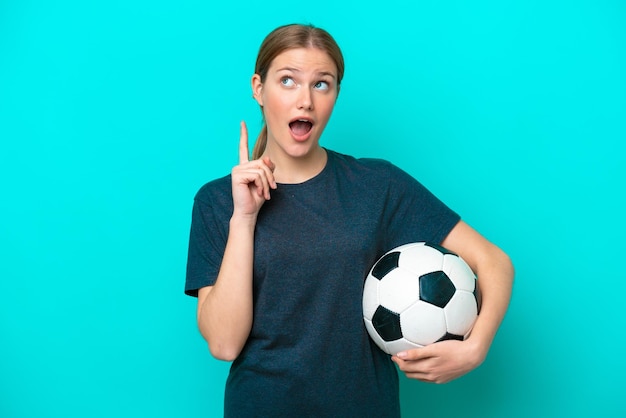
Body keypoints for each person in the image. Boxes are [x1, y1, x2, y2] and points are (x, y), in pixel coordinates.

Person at [185, 23, 514, 417]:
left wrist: (475, 348)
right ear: (258, 88)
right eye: (287, 81)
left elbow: (494, 261)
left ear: (336, 94)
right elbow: (223, 344)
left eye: (321, 85)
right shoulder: (217, 201)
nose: (304, 100)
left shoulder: (376, 184)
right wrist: (244, 217)